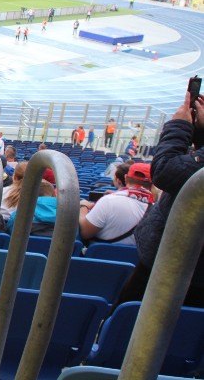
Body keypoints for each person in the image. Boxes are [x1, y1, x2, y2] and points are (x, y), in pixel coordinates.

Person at [126, 92, 204, 307]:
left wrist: (179, 126)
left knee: (130, 325)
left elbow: (166, 173)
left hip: (177, 263)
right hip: (180, 262)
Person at [78, 163, 152, 246]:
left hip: (100, 256)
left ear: (126, 178)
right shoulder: (156, 208)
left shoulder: (108, 201)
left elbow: (85, 233)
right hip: (134, 258)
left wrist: (83, 207)